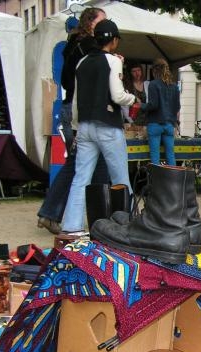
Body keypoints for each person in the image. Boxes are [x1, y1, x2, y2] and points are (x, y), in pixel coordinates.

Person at [36, 7, 109, 235]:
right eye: (102, 21)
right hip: (81, 111)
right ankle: (96, 217)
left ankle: (100, 216)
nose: (106, 25)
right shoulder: (88, 47)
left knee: (91, 163)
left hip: (74, 108)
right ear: (90, 22)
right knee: (81, 164)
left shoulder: (75, 44)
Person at [61, 19, 137, 233]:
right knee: (121, 179)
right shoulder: (113, 61)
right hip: (108, 124)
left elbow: (75, 100)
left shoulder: (82, 62)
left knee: (81, 178)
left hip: (85, 126)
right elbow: (118, 95)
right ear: (114, 40)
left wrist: (77, 127)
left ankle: (71, 226)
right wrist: (133, 99)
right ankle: (129, 224)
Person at [140, 58, 180, 165]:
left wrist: (141, 106)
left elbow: (153, 105)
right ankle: (173, 175)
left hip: (155, 123)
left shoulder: (153, 84)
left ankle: (156, 176)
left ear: (154, 70)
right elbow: (177, 107)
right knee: (170, 154)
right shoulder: (175, 86)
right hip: (169, 125)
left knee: (155, 156)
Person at [124, 62, 148, 126]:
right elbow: (124, 106)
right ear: (130, 73)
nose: (137, 73)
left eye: (139, 70)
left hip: (147, 120)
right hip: (131, 120)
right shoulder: (127, 86)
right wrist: (131, 122)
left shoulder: (148, 84)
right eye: (134, 71)